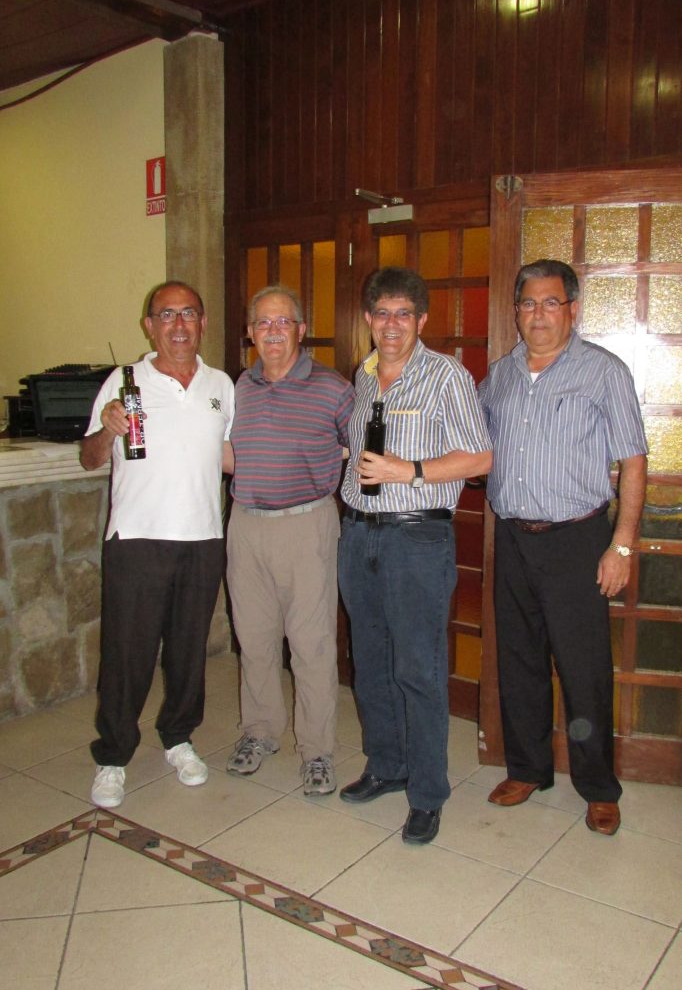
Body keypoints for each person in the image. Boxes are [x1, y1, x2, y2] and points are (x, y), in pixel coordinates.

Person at [479, 258, 647, 836]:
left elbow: (633, 461)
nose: (538, 314)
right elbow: (472, 442)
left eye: (551, 302)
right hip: (513, 536)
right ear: (516, 311)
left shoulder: (603, 371)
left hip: (578, 539)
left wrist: (621, 546)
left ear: (572, 309)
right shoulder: (499, 375)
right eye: (528, 303)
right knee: (519, 658)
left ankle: (598, 787)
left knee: (583, 669)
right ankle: (528, 769)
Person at [337, 266, 493, 845]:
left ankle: (427, 794)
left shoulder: (446, 375)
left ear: (421, 320)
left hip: (416, 538)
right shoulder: (363, 376)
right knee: (369, 661)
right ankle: (387, 765)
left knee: (418, 668)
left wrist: (411, 470)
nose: (392, 324)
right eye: (382, 313)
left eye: (404, 314)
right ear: (368, 318)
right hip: (359, 534)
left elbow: (480, 457)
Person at [80, 280, 235, 808]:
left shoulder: (221, 385)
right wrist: (108, 430)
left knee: (189, 651)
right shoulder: (123, 381)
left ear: (202, 322)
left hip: (202, 538)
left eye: (188, 313)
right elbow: (89, 459)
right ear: (149, 326)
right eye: (166, 314)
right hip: (137, 539)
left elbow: (229, 456)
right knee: (128, 654)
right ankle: (113, 755)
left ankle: (179, 738)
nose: (178, 324)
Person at [224, 284, 354, 795]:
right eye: (263, 322)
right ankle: (259, 732)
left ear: (301, 329)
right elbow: (228, 452)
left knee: (312, 643)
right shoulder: (239, 387)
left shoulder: (332, 388)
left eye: (283, 322)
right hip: (246, 524)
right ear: (250, 332)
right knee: (254, 639)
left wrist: (332, 460)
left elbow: (362, 446)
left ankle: (317, 750)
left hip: (307, 526)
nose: (273, 331)